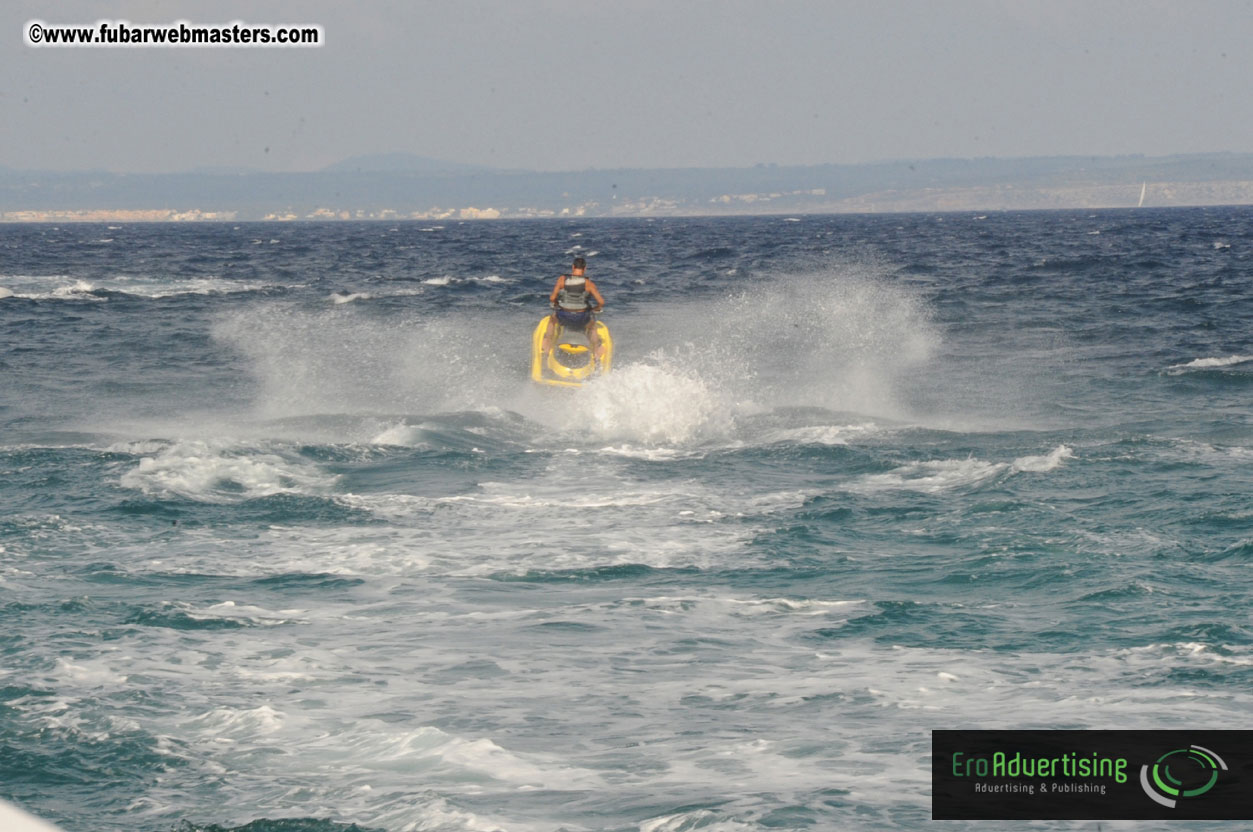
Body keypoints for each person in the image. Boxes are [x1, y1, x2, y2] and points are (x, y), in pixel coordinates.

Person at [544, 256, 606, 360]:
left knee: (552, 320)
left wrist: (556, 304)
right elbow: (601, 302)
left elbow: (552, 298)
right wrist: (595, 308)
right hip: (581, 318)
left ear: (573, 267)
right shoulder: (588, 284)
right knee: (593, 327)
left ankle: (546, 348)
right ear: (585, 268)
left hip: (564, 316)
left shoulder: (562, 280)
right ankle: (596, 353)